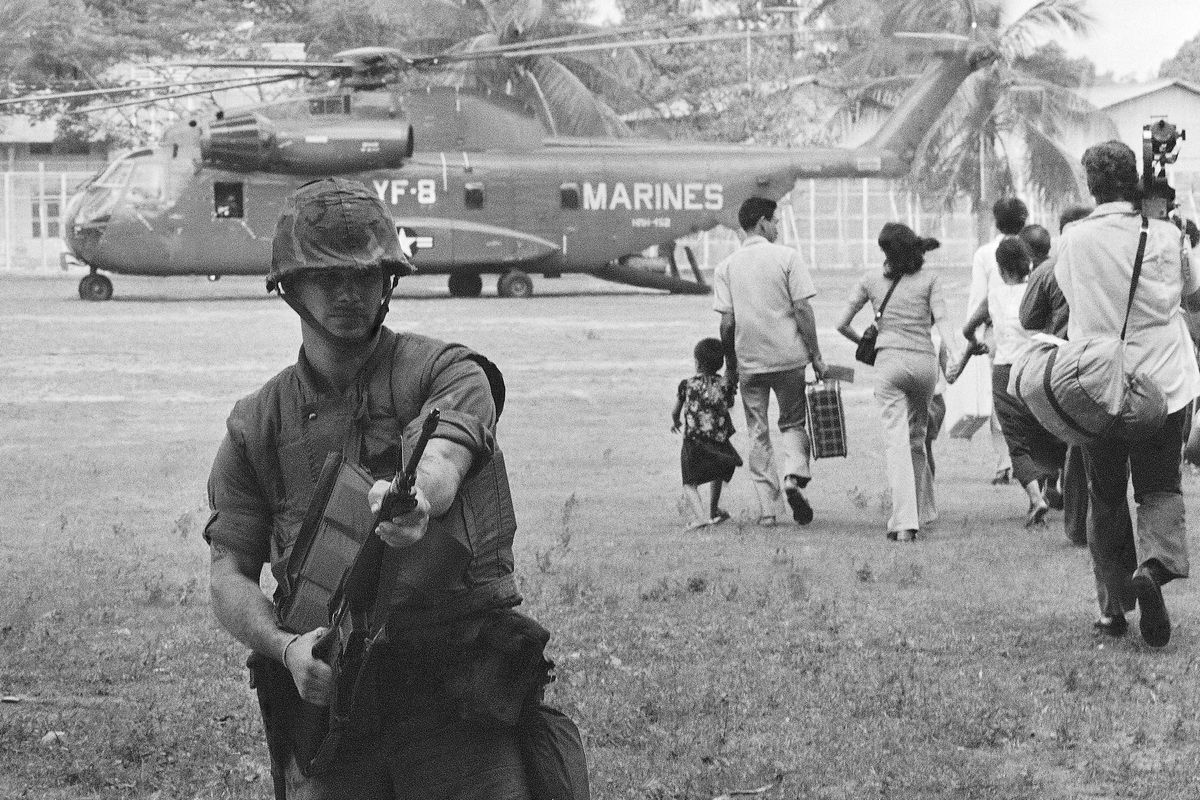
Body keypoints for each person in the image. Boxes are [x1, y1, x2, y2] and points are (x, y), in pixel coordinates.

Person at [204, 178, 571, 798]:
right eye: (326, 278)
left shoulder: (447, 371)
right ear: (289, 288)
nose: (348, 293)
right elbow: (228, 572)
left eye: (365, 275)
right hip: (333, 698)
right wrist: (285, 647)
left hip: (453, 688)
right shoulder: (257, 423)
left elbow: (448, 447)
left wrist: (420, 499)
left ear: (389, 282)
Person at [1054, 140, 1200, 646]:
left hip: (1096, 386)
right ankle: (1154, 569)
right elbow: (1190, 294)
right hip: (1162, 383)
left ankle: (1114, 607)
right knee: (1159, 487)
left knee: (1106, 494)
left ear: (1091, 186)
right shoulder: (1165, 234)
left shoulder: (1072, 238)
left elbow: (1071, 299)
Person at [836, 222, 960, 542]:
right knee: (917, 438)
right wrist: (955, 352)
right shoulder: (930, 279)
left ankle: (904, 522)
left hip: (889, 362)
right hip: (924, 365)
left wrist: (867, 344)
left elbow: (842, 323)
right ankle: (920, 511)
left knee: (896, 443)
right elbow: (943, 319)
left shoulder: (870, 280)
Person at [713, 197, 826, 527]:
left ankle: (768, 510)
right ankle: (794, 476)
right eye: (774, 221)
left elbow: (726, 324)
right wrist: (815, 355)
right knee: (792, 422)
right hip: (789, 358)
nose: (777, 227)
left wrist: (731, 366)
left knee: (757, 432)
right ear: (762, 222)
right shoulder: (788, 258)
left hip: (750, 361)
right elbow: (803, 310)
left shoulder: (726, 267)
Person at [962, 236, 1065, 527]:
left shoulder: (993, 296)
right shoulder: (1038, 290)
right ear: (1028, 262)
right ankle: (1055, 482)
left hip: (1005, 374)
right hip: (1037, 370)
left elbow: (967, 328)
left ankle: (1036, 498)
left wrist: (978, 343)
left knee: (1017, 443)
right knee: (1048, 430)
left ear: (999, 266)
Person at [1019, 206, 1094, 547]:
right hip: (1106, 358)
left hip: (1064, 361)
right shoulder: (1105, 261)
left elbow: (1029, 319)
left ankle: (1073, 517)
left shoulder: (1049, 270)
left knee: (1071, 438)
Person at [968, 197, 1029, 485]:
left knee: (1001, 399)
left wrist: (974, 341)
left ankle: (1005, 462)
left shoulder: (985, 254)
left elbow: (977, 298)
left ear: (995, 220)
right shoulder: (1032, 246)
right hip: (1032, 331)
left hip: (998, 332)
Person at [670, 337, 741, 529]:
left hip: (694, 442)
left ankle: (701, 517)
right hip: (719, 442)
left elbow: (676, 411)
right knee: (717, 473)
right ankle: (713, 510)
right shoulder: (724, 385)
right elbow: (730, 403)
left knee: (689, 483)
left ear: (698, 362)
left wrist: (675, 422)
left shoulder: (687, 385)